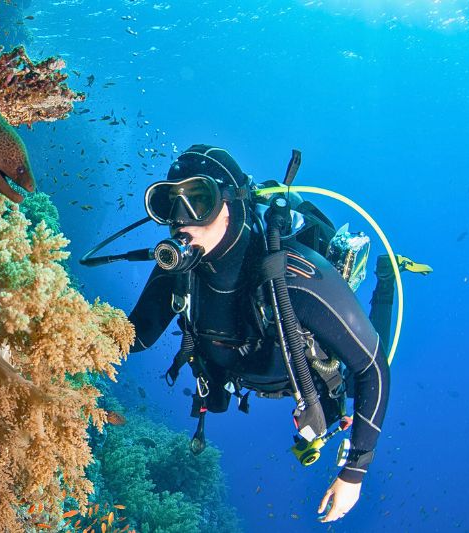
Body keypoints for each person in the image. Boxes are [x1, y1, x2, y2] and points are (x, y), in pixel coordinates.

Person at [127, 144, 396, 522]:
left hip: (309, 372)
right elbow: (134, 337)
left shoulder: (293, 277)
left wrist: (354, 472)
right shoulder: (179, 268)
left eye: (199, 199)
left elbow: (373, 368)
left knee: (354, 381)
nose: (181, 220)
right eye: (169, 203)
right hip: (242, 370)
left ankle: (385, 282)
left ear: (232, 202)